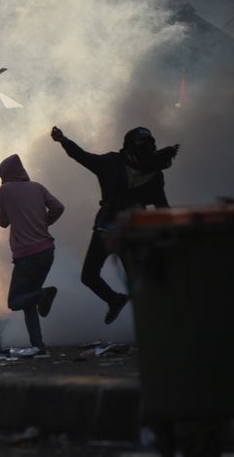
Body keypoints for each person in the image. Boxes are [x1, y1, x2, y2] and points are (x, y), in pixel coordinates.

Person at [51, 126, 180, 324]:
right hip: (108, 229)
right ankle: (115, 300)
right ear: (129, 150)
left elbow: (162, 207)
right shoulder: (110, 163)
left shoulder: (154, 174)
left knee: (138, 282)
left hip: (134, 233)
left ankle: (153, 324)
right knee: (89, 277)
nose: (146, 154)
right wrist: (63, 140)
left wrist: (167, 234)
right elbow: (82, 156)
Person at [0, 154, 65, 355]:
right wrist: (43, 223)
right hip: (46, 250)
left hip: (26, 255)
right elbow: (58, 207)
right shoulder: (37, 187)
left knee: (15, 301)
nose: (2, 181)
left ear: (7, 175)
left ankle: (45, 293)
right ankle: (37, 344)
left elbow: (2, 221)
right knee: (28, 300)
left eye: (2, 177)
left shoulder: (5, 190)